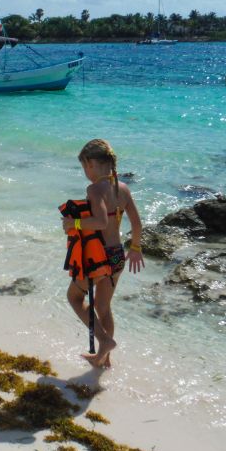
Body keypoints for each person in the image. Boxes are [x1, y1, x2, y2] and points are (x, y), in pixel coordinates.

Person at [61, 139, 144, 368]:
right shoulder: (123, 188)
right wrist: (135, 249)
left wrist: (73, 223)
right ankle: (104, 358)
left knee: (74, 298)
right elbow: (137, 225)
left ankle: (105, 341)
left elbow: (98, 222)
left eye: (84, 167)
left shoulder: (95, 189)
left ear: (91, 164)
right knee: (103, 306)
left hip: (98, 256)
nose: (86, 173)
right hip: (117, 255)